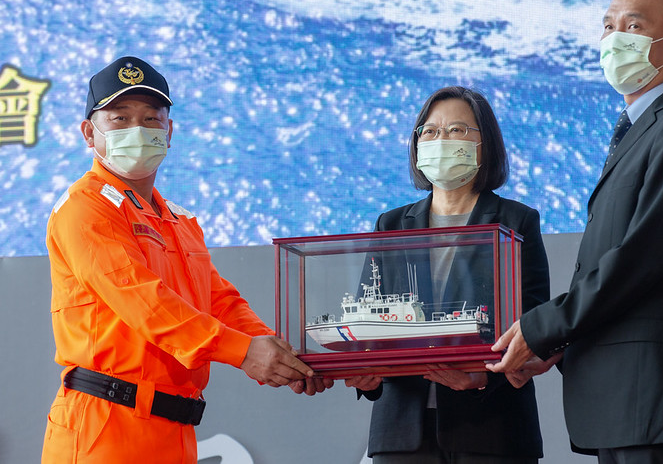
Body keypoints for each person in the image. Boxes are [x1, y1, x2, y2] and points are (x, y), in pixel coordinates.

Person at [488, 0, 663, 463]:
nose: (614, 38)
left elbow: (643, 256)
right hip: (622, 401)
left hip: (656, 401)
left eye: (634, 26)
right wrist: (561, 343)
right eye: (608, 25)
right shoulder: (640, 128)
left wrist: (543, 327)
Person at [41, 56, 329, 464]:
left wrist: (283, 355)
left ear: (169, 131)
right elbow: (145, 302)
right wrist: (246, 352)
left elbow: (220, 301)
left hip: (175, 430)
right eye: (120, 118)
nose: (137, 129)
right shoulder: (85, 208)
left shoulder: (177, 219)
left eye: (150, 119)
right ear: (90, 132)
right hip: (105, 427)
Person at [346, 86, 557, 463]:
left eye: (457, 130)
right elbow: (368, 320)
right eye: (430, 131)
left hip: (493, 428)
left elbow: (532, 322)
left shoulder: (517, 221)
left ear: (485, 144)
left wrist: (485, 376)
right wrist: (366, 374)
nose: (441, 139)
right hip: (402, 435)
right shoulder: (390, 224)